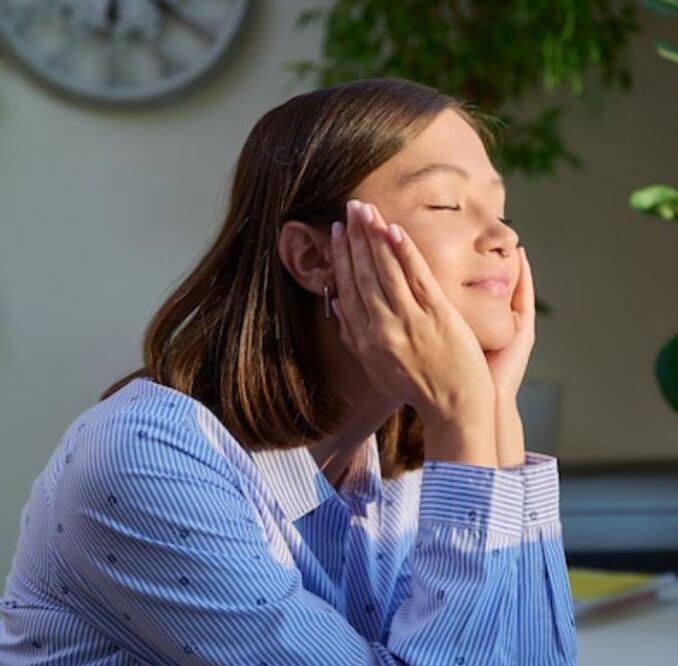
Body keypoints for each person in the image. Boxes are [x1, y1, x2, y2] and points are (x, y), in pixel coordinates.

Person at [0, 78, 576, 665]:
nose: (503, 237)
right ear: (312, 257)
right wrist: (465, 418)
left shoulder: (407, 462)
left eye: (501, 210)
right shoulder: (143, 459)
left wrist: (495, 411)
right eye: (446, 205)